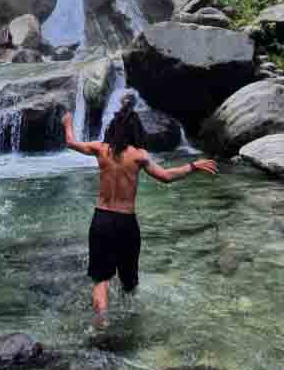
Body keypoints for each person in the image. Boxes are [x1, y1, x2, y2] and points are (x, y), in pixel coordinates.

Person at [61, 95, 218, 321]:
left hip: (102, 220)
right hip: (126, 223)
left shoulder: (99, 149)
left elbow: (70, 142)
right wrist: (192, 165)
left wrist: (67, 123)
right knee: (128, 280)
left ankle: (101, 323)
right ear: (136, 132)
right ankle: (132, 320)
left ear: (113, 128)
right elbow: (165, 177)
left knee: (101, 280)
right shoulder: (139, 156)